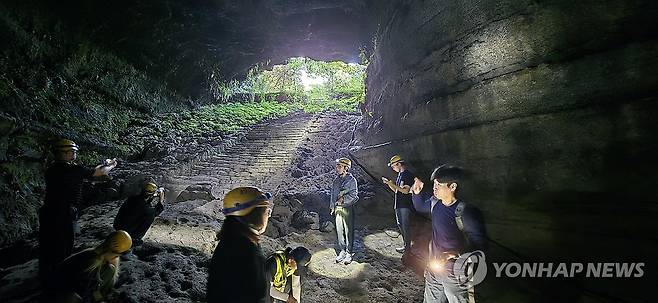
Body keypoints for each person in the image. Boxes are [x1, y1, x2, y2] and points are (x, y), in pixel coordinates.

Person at [40, 139, 118, 280]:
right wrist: (111, 165)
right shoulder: (72, 169)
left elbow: (87, 173)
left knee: (48, 244)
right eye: (72, 152)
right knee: (63, 245)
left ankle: (45, 273)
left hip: (48, 211)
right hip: (63, 213)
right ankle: (58, 277)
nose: (74, 154)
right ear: (63, 153)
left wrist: (103, 166)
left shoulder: (51, 169)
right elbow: (99, 172)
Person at [411, 165, 487, 303]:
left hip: (455, 272)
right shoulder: (435, 203)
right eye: (434, 184)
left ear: (452, 187)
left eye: (439, 185)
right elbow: (421, 206)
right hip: (434, 267)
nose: (434, 187)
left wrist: (455, 252)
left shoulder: (466, 212)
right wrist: (417, 193)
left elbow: (480, 246)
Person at [207, 186, 274, 303]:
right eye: (266, 211)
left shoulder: (236, 242)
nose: (268, 216)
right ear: (253, 214)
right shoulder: (242, 250)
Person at [43, 230, 132, 303]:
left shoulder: (101, 260)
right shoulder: (91, 262)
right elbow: (86, 291)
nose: (117, 258)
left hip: (76, 288)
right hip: (60, 291)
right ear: (111, 252)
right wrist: (100, 298)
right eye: (117, 255)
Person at [113, 180, 165, 246]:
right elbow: (156, 211)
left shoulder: (132, 198)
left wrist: (150, 197)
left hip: (118, 226)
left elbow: (142, 203)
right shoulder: (147, 210)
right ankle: (135, 239)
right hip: (127, 234)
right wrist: (161, 200)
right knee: (150, 215)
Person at [381, 155, 416, 254]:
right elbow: (397, 190)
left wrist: (392, 184)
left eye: (393, 166)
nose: (393, 168)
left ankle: (408, 248)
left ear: (399, 164)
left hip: (405, 204)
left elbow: (405, 191)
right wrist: (389, 184)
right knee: (400, 224)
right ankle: (406, 246)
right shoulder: (400, 175)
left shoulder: (407, 175)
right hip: (399, 204)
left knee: (405, 226)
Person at [330, 157, 359, 265]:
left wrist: (344, 199)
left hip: (347, 207)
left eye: (339, 166)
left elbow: (354, 194)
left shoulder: (352, 181)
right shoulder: (336, 181)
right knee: (339, 229)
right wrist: (332, 206)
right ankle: (342, 250)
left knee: (348, 230)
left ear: (346, 168)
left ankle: (349, 252)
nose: (337, 168)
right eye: (337, 166)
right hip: (338, 208)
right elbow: (333, 194)